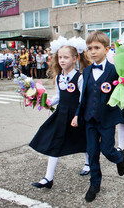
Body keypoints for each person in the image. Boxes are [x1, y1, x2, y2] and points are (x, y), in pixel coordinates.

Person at [72, 31, 124, 202]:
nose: (93, 51)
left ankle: (118, 158)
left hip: (106, 119)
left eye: (97, 48)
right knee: (92, 152)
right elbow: (83, 97)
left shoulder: (115, 70)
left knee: (107, 149)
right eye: (90, 48)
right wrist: (77, 115)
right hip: (90, 119)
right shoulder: (87, 71)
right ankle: (94, 184)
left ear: (106, 49)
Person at [30, 36, 92, 189]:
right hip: (61, 114)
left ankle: (88, 163)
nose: (62, 60)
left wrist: (78, 115)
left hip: (77, 114)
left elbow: (82, 99)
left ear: (75, 58)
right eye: (60, 57)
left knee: (84, 140)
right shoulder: (59, 77)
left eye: (66, 57)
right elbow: (58, 95)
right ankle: (48, 178)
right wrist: (46, 101)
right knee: (55, 143)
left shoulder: (80, 77)